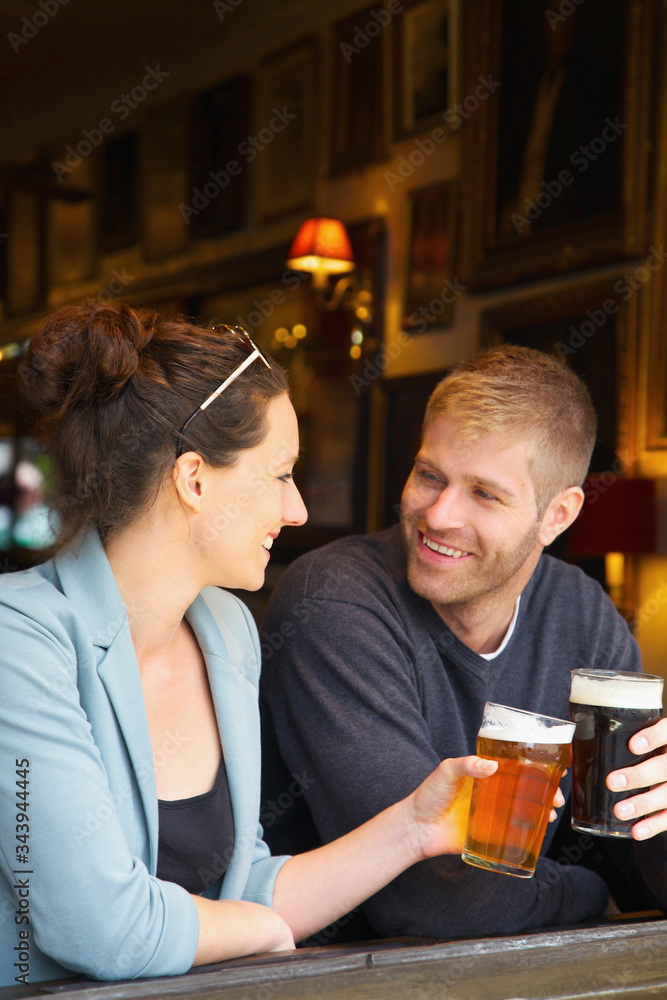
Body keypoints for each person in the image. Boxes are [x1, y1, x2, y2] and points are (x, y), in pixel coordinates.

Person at [0, 303, 501, 988]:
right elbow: (103, 929)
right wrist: (262, 931)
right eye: (280, 474)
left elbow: (242, 886)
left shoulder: (225, 631)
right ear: (194, 479)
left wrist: (412, 829)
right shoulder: (17, 644)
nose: (296, 509)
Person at [260, 344, 667, 943]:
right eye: (430, 475)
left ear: (557, 515)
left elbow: (625, 859)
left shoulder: (584, 617)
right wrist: (591, 894)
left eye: (484, 493)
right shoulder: (335, 600)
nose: (440, 514)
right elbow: (437, 900)